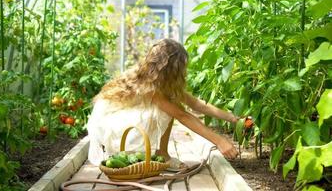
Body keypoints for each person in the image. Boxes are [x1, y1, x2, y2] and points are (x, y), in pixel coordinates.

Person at [87, 39, 239, 169]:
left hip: (119, 122)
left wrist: (232, 118)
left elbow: (197, 104)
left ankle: (161, 153)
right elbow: (182, 115)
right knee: (168, 109)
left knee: (170, 104)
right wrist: (219, 141)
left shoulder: (157, 80)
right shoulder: (148, 87)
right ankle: (163, 154)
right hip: (109, 126)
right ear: (170, 69)